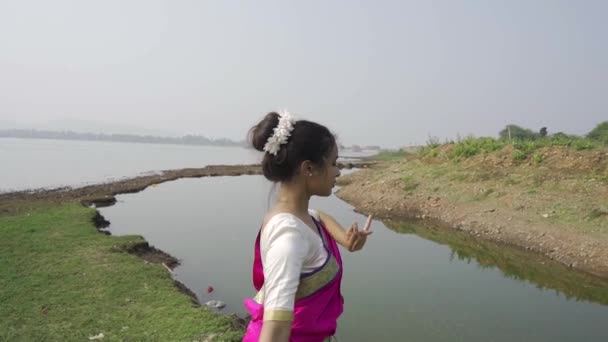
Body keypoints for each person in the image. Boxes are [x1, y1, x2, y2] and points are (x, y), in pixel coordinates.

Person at [242, 110, 373, 342]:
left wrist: (347, 240)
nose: (338, 171)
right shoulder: (289, 240)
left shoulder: (302, 218)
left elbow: (320, 216)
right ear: (308, 169)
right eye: (333, 163)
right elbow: (275, 331)